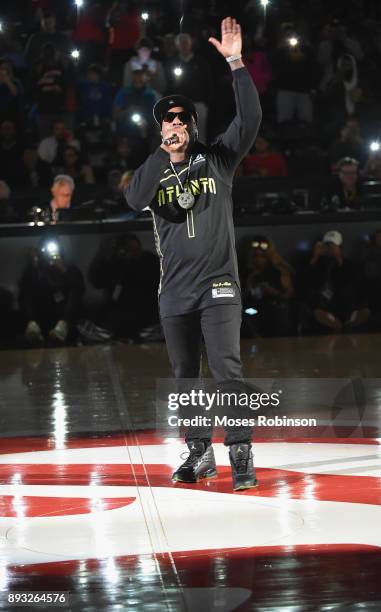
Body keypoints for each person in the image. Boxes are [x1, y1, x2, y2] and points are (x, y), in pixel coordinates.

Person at [125, 17, 262, 492]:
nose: (177, 124)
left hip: (219, 284)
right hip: (174, 292)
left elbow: (250, 120)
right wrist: (164, 154)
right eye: (169, 119)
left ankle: (241, 454)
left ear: (194, 124)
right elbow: (132, 198)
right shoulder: (156, 169)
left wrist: (236, 63)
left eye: (183, 119)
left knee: (226, 369)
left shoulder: (219, 159)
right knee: (185, 376)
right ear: (161, 129)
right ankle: (199, 452)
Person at [19, 238, 85, 346]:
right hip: (41, 324)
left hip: (66, 325)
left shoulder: (71, 270)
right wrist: (30, 320)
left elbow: (77, 292)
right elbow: (25, 296)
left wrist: (64, 271)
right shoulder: (34, 272)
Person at [304, 230, 370, 333]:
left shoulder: (349, 265)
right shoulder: (317, 264)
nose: (329, 249)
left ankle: (351, 320)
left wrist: (338, 258)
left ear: (340, 247)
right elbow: (307, 281)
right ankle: (334, 322)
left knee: (361, 307)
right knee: (317, 308)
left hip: (345, 302)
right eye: (327, 246)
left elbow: (352, 284)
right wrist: (315, 257)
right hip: (326, 304)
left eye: (333, 246)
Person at [242, 236, 296, 336]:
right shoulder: (247, 273)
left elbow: (290, 293)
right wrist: (252, 291)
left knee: (275, 312)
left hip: (276, 306)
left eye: (262, 256)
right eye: (256, 256)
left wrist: (273, 292)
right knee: (245, 314)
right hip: (254, 309)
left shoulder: (280, 271)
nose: (259, 260)